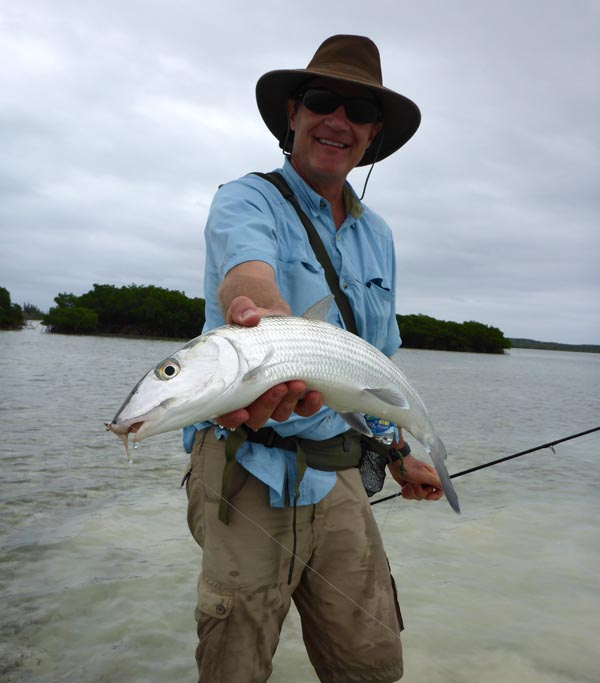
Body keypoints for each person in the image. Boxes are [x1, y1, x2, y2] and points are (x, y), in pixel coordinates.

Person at [183, 34, 445, 683]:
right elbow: (248, 281)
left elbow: (372, 367)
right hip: (247, 468)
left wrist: (396, 446)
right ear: (294, 113)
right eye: (324, 101)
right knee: (233, 665)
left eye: (359, 112)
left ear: (373, 134)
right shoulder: (246, 198)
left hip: (341, 473)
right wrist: (263, 322)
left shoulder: (378, 235)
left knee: (374, 663)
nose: (339, 121)